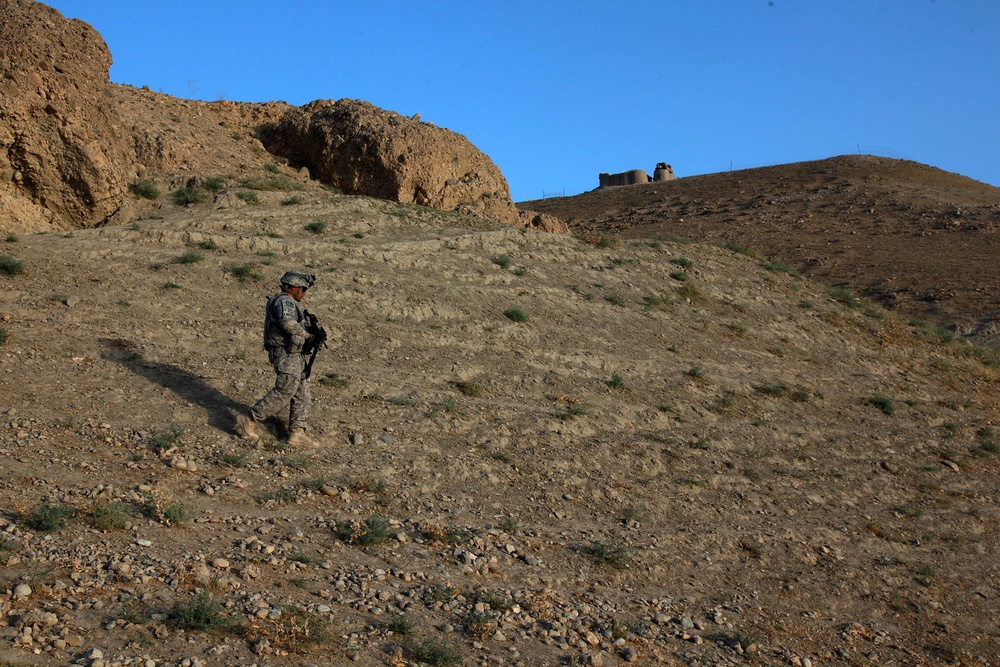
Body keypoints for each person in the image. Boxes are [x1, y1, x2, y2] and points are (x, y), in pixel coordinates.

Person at [236, 269, 319, 448]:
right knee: (285, 389)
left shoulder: (288, 302)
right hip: (284, 352)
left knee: (302, 392)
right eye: (302, 289)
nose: (304, 293)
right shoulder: (284, 301)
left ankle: (297, 432)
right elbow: (287, 323)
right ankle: (249, 418)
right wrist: (306, 335)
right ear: (292, 287)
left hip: (294, 354)